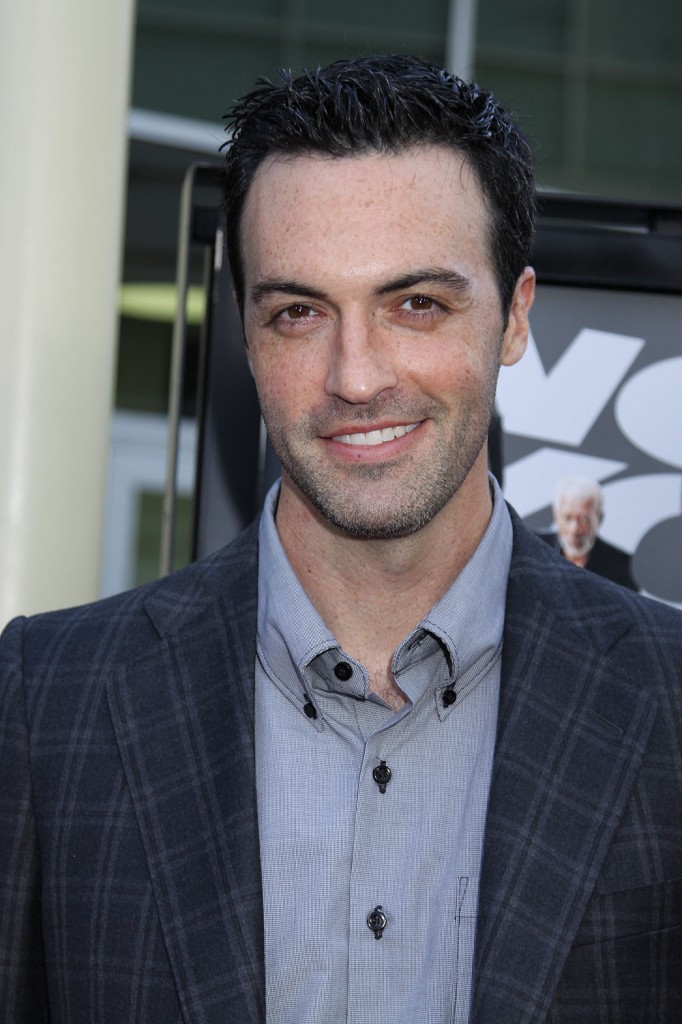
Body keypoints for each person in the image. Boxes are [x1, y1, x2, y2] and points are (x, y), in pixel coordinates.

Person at [1, 55, 680, 1024]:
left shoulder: (668, 696)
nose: (355, 377)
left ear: (515, 317)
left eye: (417, 304)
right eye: (298, 312)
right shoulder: (46, 701)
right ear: (246, 333)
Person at [539, 475, 638, 590]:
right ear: (556, 515)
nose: (574, 529)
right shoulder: (535, 550)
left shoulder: (622, 566)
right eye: (567, 518)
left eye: (584, 520)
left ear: (599, 519)